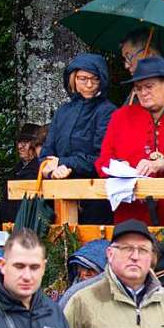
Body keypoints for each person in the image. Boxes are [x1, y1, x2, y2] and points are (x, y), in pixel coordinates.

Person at [95, 56, 164, 227]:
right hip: (133, 213)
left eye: (149, 86)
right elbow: (103, 159)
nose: (143, 93)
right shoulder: (120, 117)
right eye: (138, 88)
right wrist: (120, 168)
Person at [40, 53, 116, 224]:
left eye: (94, 79)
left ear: (102, 80)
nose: (89, 84)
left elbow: (101, 159)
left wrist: (64, 163)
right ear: (73, 79)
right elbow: (46, 153)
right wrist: (50, 169)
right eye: (83, 78)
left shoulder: (107, 111)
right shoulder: (63, 111)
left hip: (96, 197)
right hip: (58, 196)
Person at [0, 123, 48, 230]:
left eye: (25, 143)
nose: (20, 146)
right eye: (19, 142)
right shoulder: (17, 170)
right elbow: (5, 201)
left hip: (28, 231)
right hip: (10, 228)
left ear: (35, 145)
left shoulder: (42, 171)